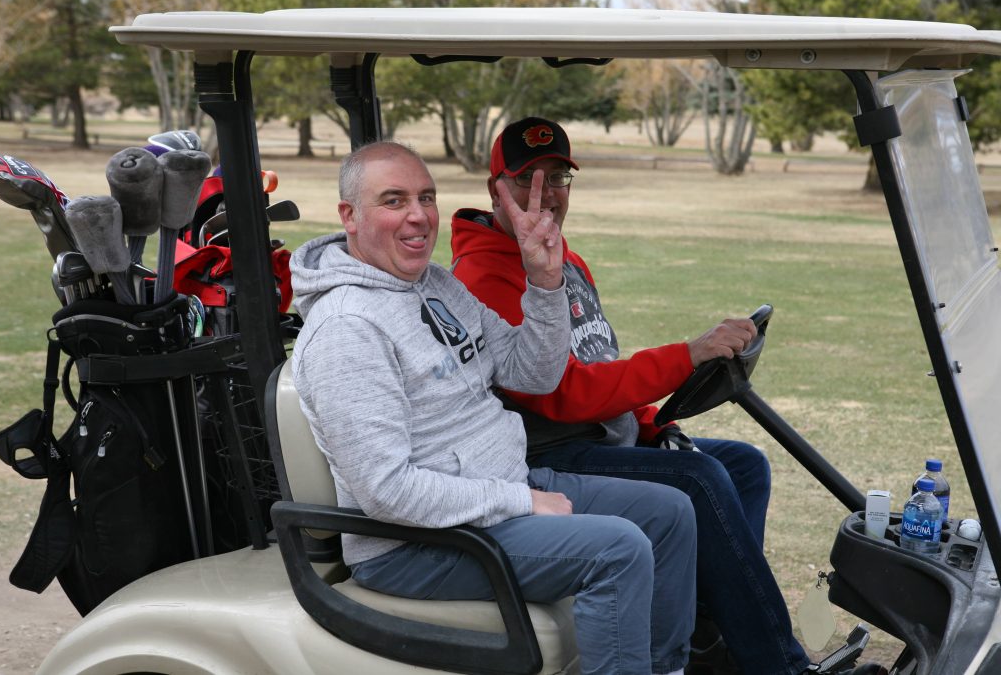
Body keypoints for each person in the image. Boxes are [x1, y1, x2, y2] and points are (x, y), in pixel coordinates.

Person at [289, 141, 698, 675]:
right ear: (350, 215)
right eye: (394, 200)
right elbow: (386, 491)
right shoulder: (348, 330)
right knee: (616, 551)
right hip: (414, 544)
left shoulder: (435, 286)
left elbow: (532, 372)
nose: (418, 216)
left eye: (426, 198)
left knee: (670, 513)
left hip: (493, 493)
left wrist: (545, 282)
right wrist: (520, 502)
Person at [450, 117, 812, 675]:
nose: (544, 195)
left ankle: (711, 637)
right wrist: (687, 355)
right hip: (546, 454)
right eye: (526, 180)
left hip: (596, 436)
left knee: (742, 465)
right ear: (494, 188)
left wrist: (651, 423)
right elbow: (561, 394)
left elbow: (599, 363)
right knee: (699, 479)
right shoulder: (484, 276)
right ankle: (776, 664)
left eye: (558, 178)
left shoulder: (563, 259)